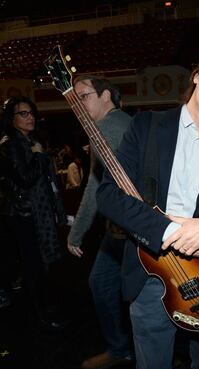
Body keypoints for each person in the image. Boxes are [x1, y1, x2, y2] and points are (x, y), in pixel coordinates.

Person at [96, 47, 199, 369]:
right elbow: (109, 195)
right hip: (151, 269)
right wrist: (170, 231)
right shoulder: (146, 126)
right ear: (196, 75)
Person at [66, 75, 134, 369]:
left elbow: (95, 188)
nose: (78, 104)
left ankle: (124, 350)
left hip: (129, 230)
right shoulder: (126, 122)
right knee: (106, 283)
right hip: (124, 229)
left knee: (116, 287)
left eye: (84, 96)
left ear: (106, 95)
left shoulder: (106, 128)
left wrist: (75, 234)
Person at [0, 96, 67, 330]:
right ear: (12, 118)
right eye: (23, 114)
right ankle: (39, 315)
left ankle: (44, 309)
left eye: (31, 113)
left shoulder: (29, 140)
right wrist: (39, 155)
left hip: (36, 213)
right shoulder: (10, 144)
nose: (30, 118)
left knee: (40, 266)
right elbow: (26, 178)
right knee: (33, 266)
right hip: (24, 215)